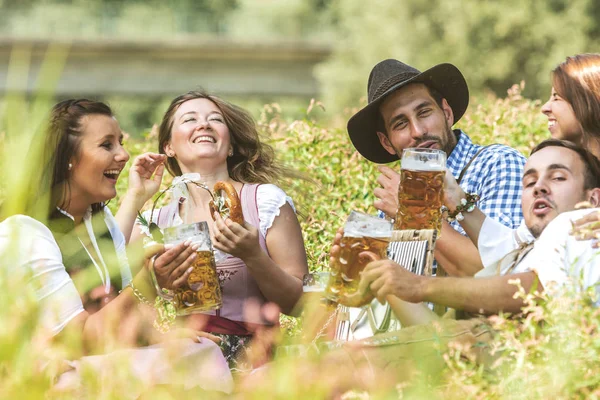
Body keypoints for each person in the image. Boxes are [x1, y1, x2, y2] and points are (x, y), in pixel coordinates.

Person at [318, 139, 600, 389]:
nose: (539, 187)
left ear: (593, 198)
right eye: (528, 183)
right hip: (481, 373)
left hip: (534, 377)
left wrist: (420, 285)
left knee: (322, 369)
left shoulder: (581, 224)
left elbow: (530, 290)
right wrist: (385, 277)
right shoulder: (524, 248)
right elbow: (439, 337)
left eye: (558, 178)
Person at [0, 99, 233, 396]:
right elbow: (79, 339)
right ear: (67, 157)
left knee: (201, 353)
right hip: (48, 377)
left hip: (96, 364)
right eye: (106, 145)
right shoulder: (25, 231)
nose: (123, 155)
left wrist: (165, 337)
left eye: (120, 143)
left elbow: (117, 313)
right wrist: (146, 283)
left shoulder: (100, 221)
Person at [130, 90, 309, 367]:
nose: (204, 124)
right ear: (169, 147)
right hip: (189, 367)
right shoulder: (154, 222)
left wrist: (254, 256)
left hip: (258, 366)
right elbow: (124, 306)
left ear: (230, 147)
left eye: (215, 119)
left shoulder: (265, 201)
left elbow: (299, 304)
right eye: (190, 119)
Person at [347, 59, 526, 277]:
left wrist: (414, 215)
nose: (418, 130)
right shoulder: (389, 205)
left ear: (447, 113)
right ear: (386, 142)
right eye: (400, 123)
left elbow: (500, 274)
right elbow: (404, 294)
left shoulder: (498, 165)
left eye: (424, 112)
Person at [471, 53, 600, 271]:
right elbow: (509, 244)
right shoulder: (573, 171)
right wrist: (455, 199)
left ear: (587, 101)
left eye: (557, 97)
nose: (545, 108)